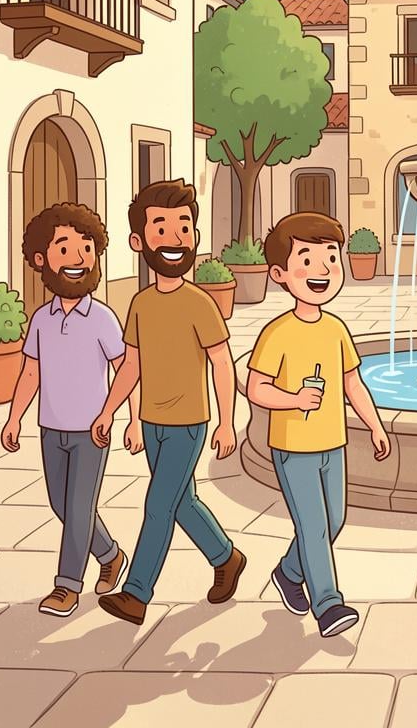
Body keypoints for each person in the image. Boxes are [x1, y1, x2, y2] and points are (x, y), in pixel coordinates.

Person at [91, 180, 245, 625]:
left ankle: (136, 594)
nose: (175, 237)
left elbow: (222, 363)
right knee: (181, 502)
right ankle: (226, 557)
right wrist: (111, 411)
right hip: (153, 420)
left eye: (184, 227)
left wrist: (226, 422)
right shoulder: (139, 304)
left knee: (158, 505)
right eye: (161, 227)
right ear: (140, 241)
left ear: (195, 237)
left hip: (189, 422)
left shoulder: (200, 303)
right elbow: (131, 366)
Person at [245, 212, 391, 638]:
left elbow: (351, 381)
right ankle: (328, 604)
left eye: (331, 257)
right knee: (312, 525)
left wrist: (376, 425)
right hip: (293, 447)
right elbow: (255, 387)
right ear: (280, 274)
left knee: (334, 521)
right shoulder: (278, 333)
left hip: (333, 443)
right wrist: (292, 400)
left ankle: (290, 573)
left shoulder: (336, 329)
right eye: (306, 260)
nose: (322, 269)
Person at [1, 203, 133, 617]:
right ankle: (110, 555)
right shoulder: (40, 319)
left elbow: (126, 367)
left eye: (87, 248)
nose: (78, 258)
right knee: (62, 505)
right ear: (41, 260)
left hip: (92, 430)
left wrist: (120, 415)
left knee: (78, 508)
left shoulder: (104, 319)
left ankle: (67, 585)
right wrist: (14, 417)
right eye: (65, 248)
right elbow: (30, 371)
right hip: (50, 426)